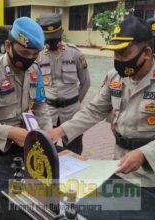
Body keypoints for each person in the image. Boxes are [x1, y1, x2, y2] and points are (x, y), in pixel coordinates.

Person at [48, 16, 155, 204]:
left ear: (146, 52)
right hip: (120, 166)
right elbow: (94, 110)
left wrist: (145, 154)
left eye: (124, 53)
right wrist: (61, 131)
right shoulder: (115, 77)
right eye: (115, 53)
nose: (118, 60)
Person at [0, 17, 52, 162]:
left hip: (23, 146)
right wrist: (11, 133)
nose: (30, 59)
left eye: (35, 55)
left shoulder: (34, 70)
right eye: (24, 53)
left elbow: (40, 106)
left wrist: (49, 135)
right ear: (8, 46)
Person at [37, 14, 90, 154]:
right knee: (48, 150)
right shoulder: (38, 57)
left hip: (72, 111)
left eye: (55, 38)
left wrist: (76, 102)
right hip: (49, 112)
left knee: (74, 150)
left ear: (61, 33)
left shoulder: (75, 54)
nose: (52, 42)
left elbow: (86, 82)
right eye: (49, 38)